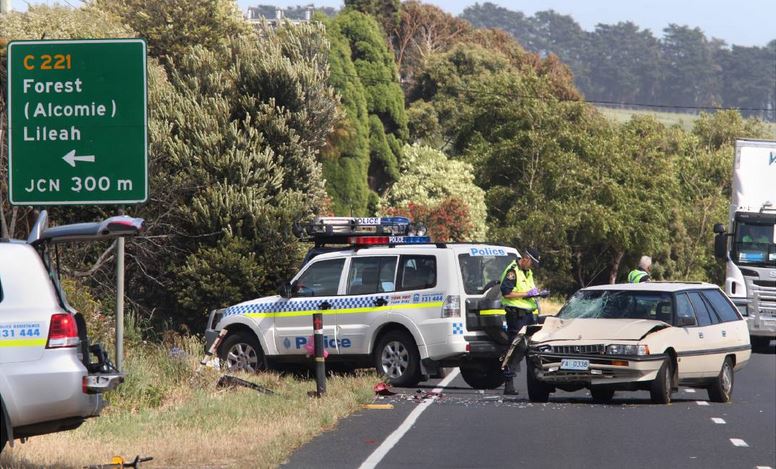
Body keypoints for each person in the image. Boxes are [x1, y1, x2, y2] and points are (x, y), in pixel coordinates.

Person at [499, 247, 544, 395]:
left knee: (530, 348)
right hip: (516, 315)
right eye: (532, 263)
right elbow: (506, 293)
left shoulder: (527, 272)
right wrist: (526, 294)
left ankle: (536, 380)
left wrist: (538, 294)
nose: (532, 267)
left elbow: (529, 291)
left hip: (529, 314)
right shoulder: (513, 271)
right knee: (515, 347)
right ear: (526, 258)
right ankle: (508, 382)